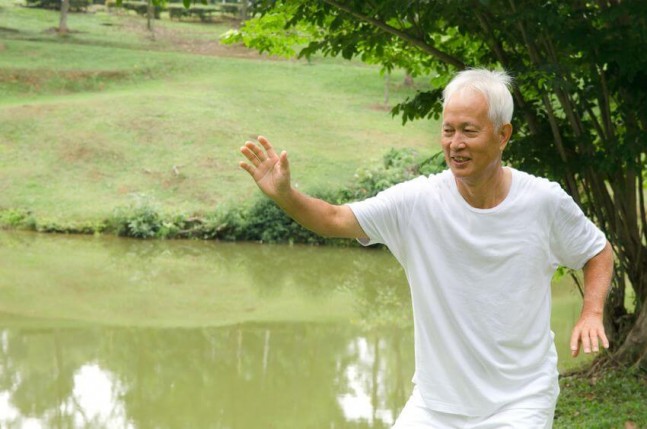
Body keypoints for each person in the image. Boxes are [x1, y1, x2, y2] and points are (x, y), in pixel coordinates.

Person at [239, 69, 613, 428]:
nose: (455, 143)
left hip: (520, 400)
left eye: (469, 131)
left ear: (503, 135)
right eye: (448, 130)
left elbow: (597, 251)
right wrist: (286, 196)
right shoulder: (417, 202)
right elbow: (335, 218)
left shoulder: (542, 202)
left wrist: (591, 312)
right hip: (437, 405)